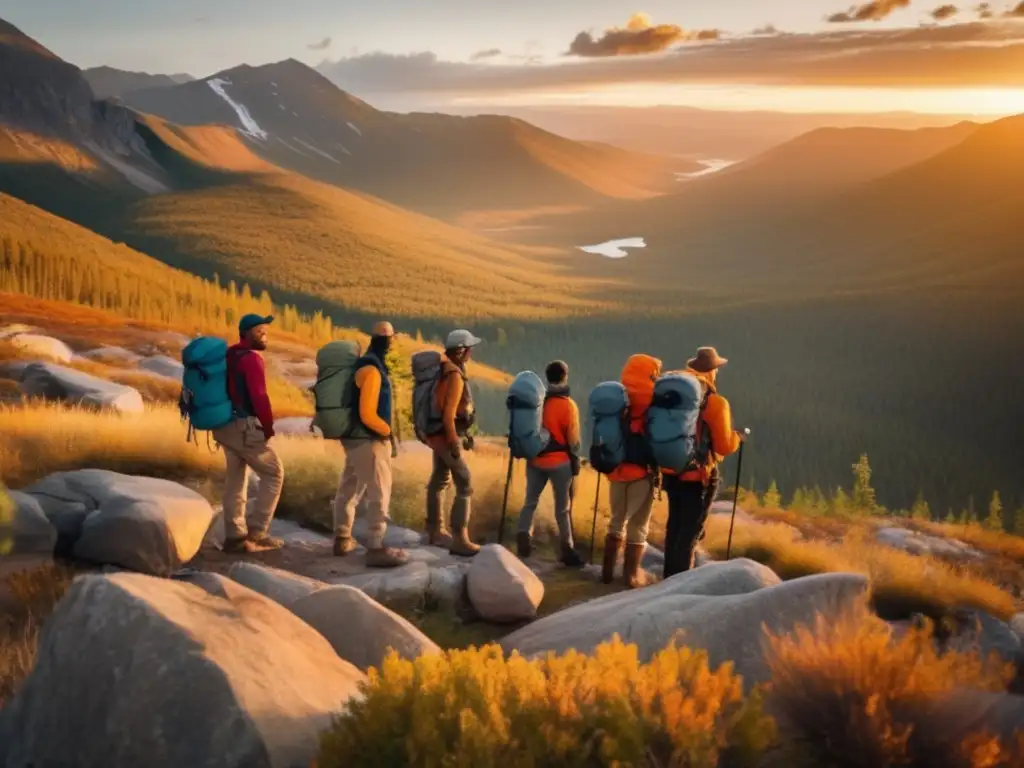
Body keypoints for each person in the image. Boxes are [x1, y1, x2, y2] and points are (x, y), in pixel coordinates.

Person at [331, 321, 408, 568]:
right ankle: (376, 546)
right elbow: (367, 413)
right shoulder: (372, 370)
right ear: (388, 340)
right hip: (369, 439)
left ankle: (342, 537)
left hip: (353, 438)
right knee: (379, 489)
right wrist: (386, 431)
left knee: (350, 486)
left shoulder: (362, 365)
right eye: (392, 339)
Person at [661, 347, 744, 577]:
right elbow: (724, 446)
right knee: (689, 532)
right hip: (698, 476)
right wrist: (738, 437)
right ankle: (676, 587)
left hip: (671, 468)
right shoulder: (715, 402)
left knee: (675, 527)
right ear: (713, 370)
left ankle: (667, 580)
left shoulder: (673, 394)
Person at [213, 313, 285, 553]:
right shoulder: (251, 360)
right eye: (258, 329)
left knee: (236, 479)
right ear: (245, 333)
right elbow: (259, 397)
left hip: (224, 426)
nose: (264, 333)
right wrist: (267, 427)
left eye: (265, 329)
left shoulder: (229, 355)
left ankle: (234, 536)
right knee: (274, 474)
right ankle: (257, 533)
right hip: (244, 426)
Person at [515, 360, 585, 568]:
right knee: (562, 509)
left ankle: (523, 536)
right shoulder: (568, 405)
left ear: (547, 377)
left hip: (536, 459)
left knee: (530, 501)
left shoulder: (537, 401)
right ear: (565, 376)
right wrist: (576, 457)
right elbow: (573, 440)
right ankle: (567, 549)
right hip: (560, 462)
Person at [602, 354, 663, 588]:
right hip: (642, 470)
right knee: (638, 525)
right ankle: (630, 576)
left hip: (616, 469)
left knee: (616, 521)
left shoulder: (617, 395)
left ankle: (606, 574)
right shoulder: (655, 398)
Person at [424, 329, 482, 556]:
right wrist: (454, 442)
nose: (471, 352)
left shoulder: (442, 369)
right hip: (445, 434)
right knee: (465, 482)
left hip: (436, 433)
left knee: (439, 478)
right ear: (462, 351)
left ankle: (435, 531)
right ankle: (460, 538)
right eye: (469, 348)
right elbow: (448, 414)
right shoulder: (454, 376)